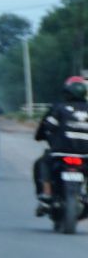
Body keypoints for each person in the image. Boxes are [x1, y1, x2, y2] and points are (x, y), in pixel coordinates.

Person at [33, 75, 88, 207]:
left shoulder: (59, 108)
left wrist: (40, 136)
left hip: (60, 152)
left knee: (42, 163)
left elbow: (47, 127)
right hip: (85, 154)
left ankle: (47, 193)